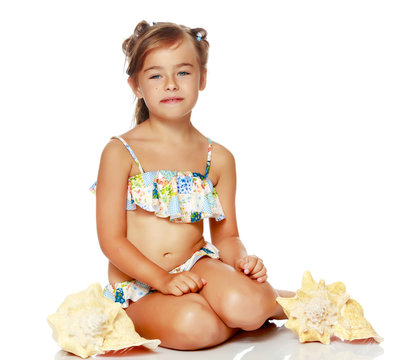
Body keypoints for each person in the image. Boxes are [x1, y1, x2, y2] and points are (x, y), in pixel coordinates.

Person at [91, 20, 294, 350]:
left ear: (202, 78)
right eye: (156, 75)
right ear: (136, 85)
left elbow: (226, 235)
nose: (170, 84)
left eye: (183, 73)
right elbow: (111, 240)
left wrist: (242, 261)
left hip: (198, 268)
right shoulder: (119, 152)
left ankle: (263, 304)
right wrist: (163, 279)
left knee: (248, 304)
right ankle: (246, 313)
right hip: (142, 284)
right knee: (196, 325)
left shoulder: (219, 158)